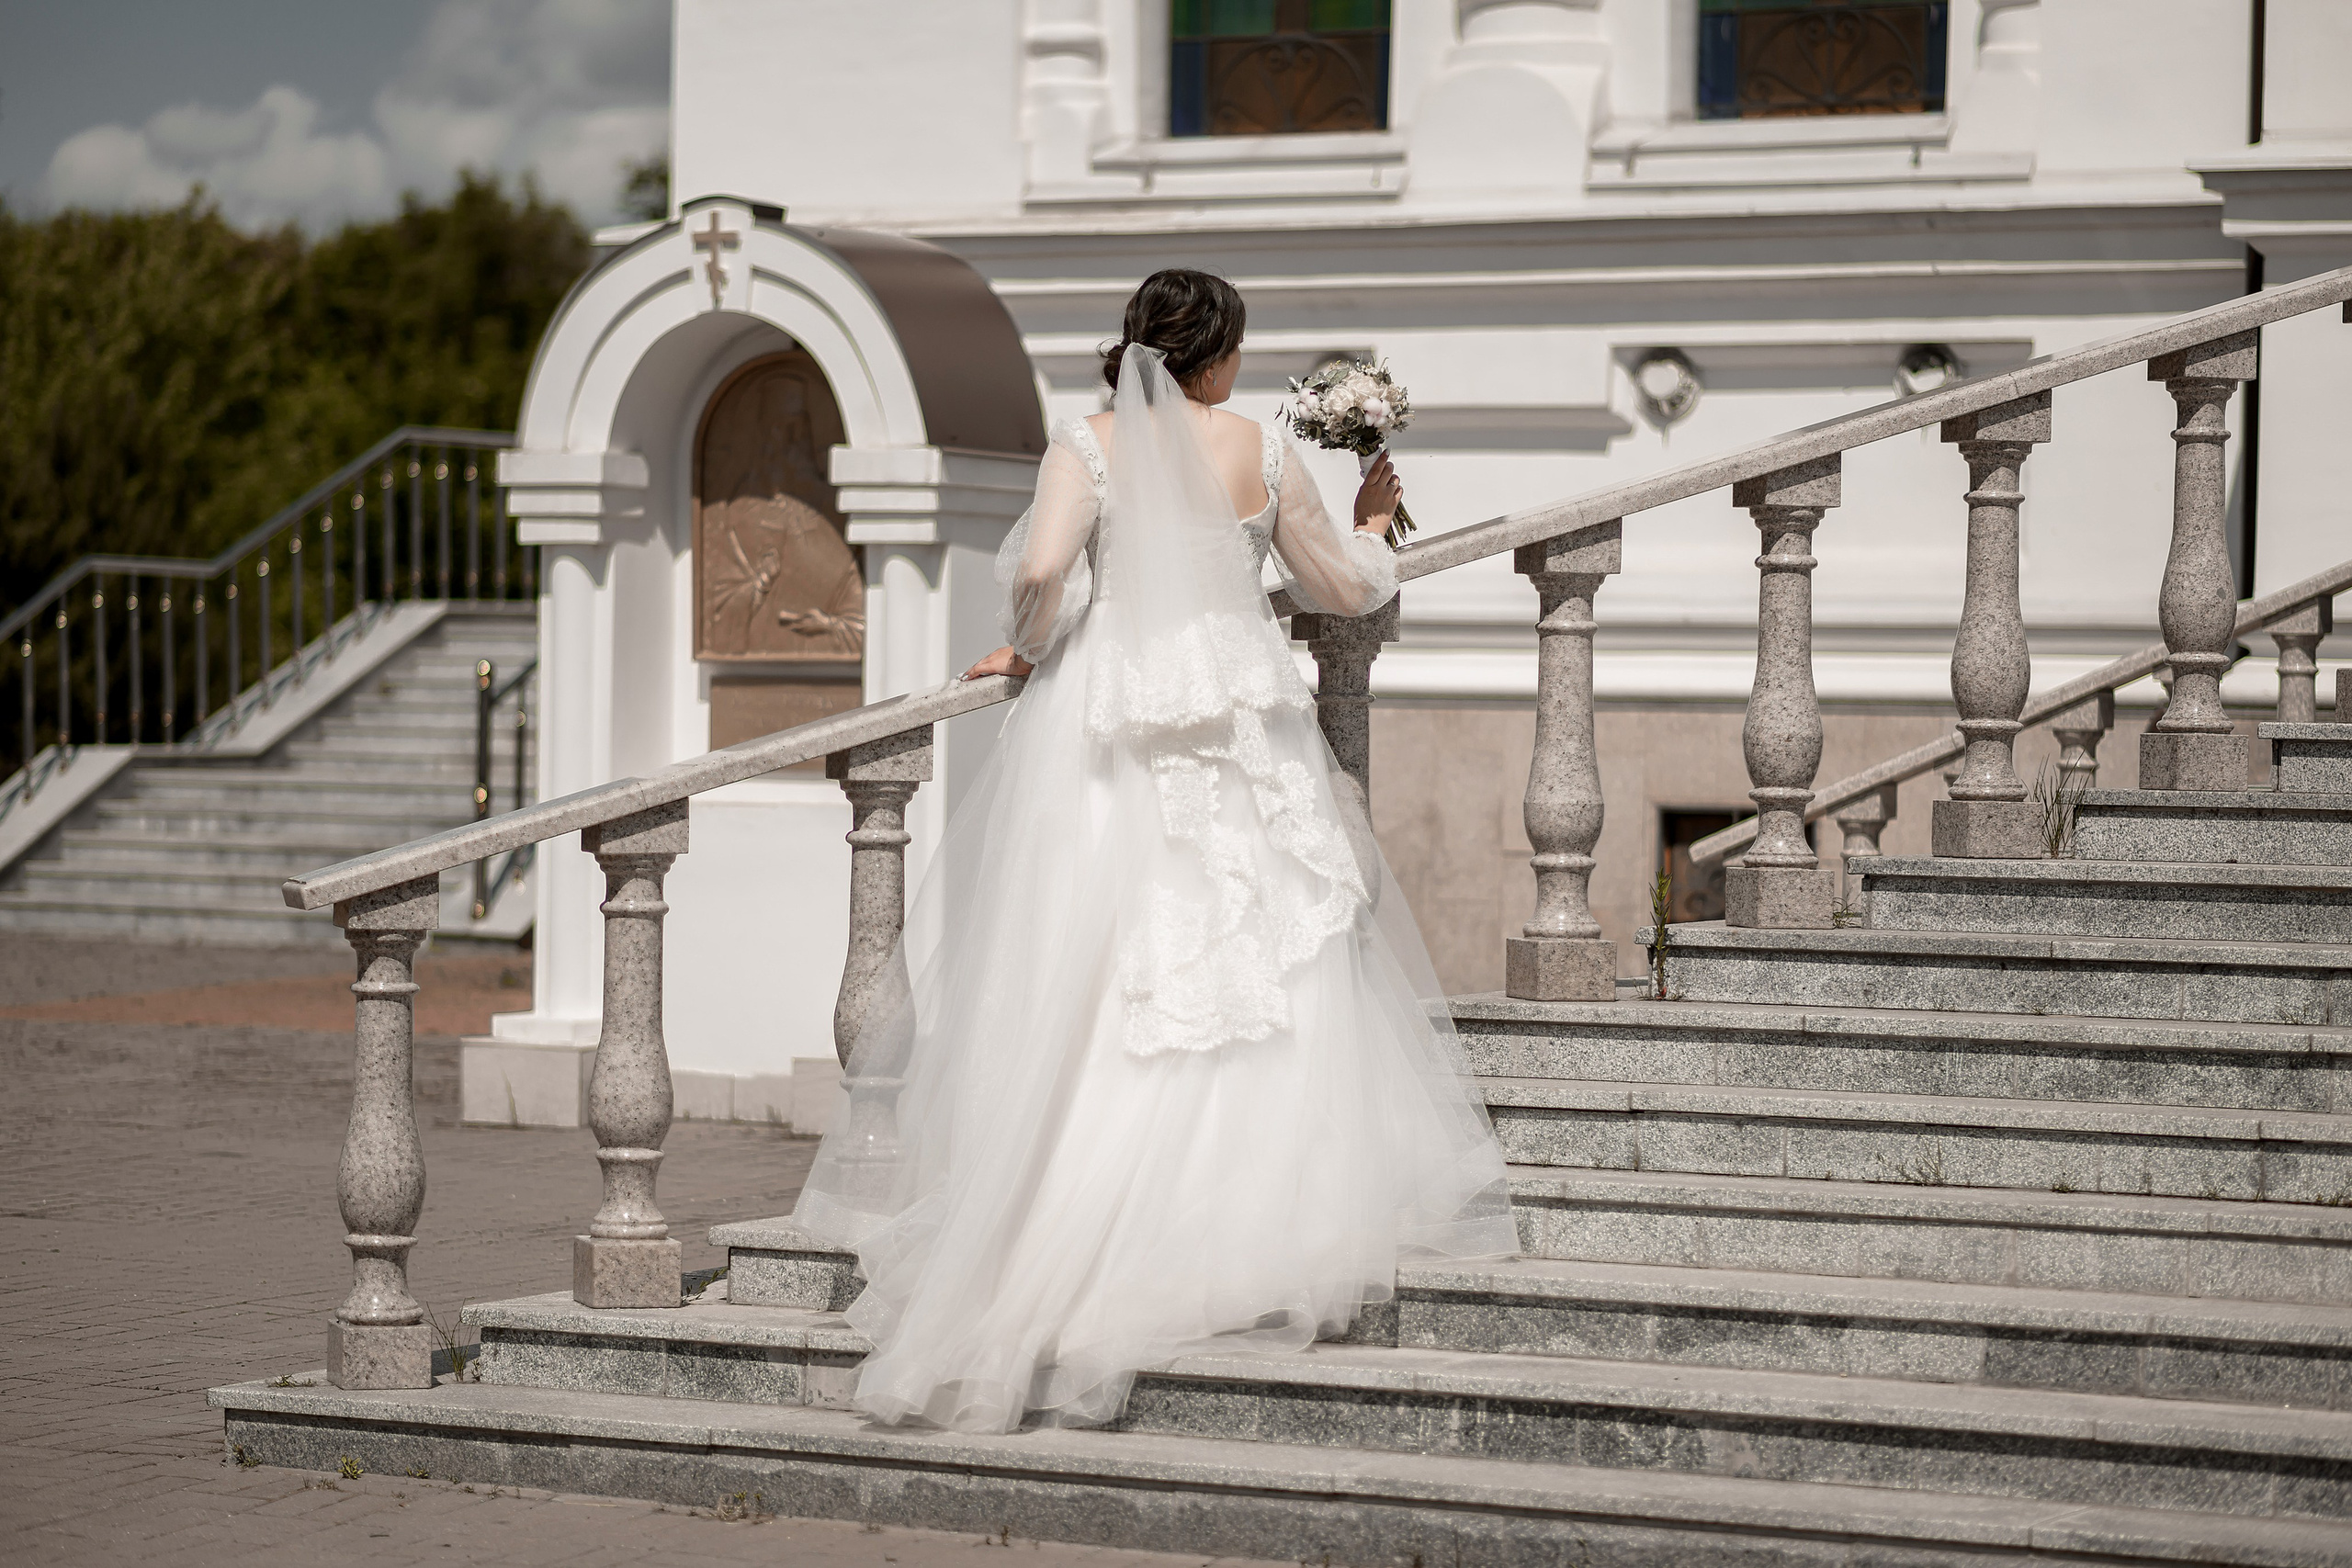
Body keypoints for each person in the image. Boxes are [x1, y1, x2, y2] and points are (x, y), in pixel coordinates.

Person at [790, 267, 1517, 1435]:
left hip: (1112, 720)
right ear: (1217, 356)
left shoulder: (1087, 444)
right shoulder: (1263, 455)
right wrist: (1378, 526)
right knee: (1265, 955)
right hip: (1239, 718)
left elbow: (1039, 575)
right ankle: (1244, 1224)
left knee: (1106, 968)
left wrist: (1026, 646)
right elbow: (1336, 585)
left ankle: (1069, 1221)